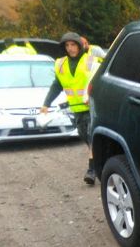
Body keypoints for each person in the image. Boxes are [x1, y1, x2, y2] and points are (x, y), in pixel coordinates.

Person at [41, 32, 99, 185]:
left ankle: (92, 170)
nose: (70, 48)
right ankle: (100, 163)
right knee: (85, 137)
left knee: (91, 136)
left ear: (79, 46)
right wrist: (46, 103)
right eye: (67, 45)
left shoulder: (91, 61)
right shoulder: (61, 65)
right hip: (77, 109)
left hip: (93, 107)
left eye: (73, 45)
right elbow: (57, 86)